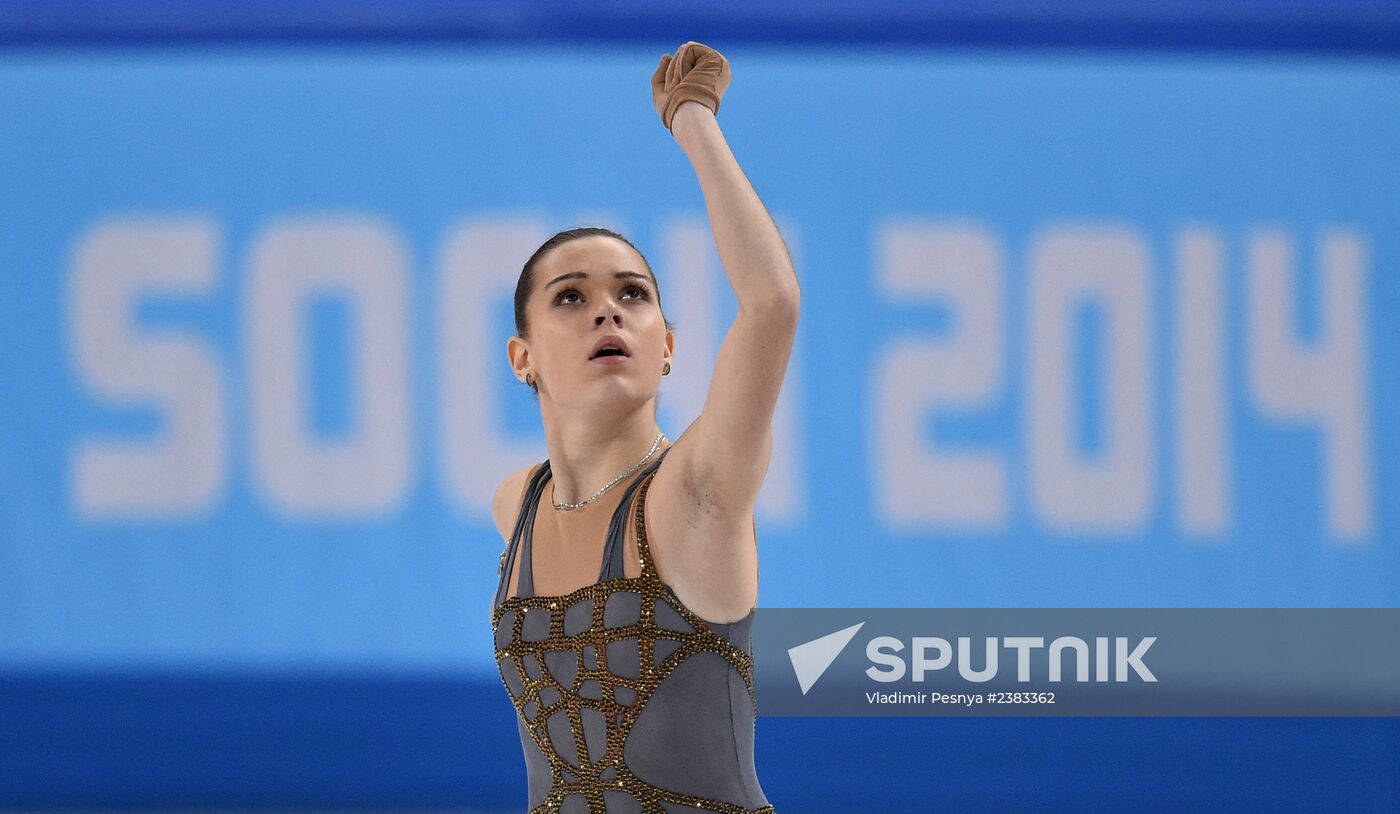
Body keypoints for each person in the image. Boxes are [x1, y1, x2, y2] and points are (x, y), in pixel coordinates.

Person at [489, 41, 798, 813]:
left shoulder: (695, 494)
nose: (607, 310)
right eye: (571, 296)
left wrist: (690, 118)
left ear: (666, 348)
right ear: (522, 357)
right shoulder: (516, 506)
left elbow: (772, 305)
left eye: (633, 294)